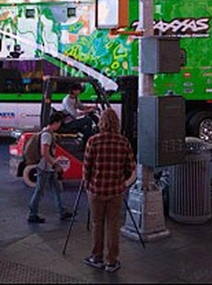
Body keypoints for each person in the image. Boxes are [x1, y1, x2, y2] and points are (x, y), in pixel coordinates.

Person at [82, 108, 135, 273]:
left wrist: (87, 186)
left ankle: (96, 257)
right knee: (113, 225)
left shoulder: (93, 141)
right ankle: (112, 261)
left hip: (96, 190)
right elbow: (131, 168)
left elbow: (87, 168)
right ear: (116, 123)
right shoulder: (123, 142)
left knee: (97, 224)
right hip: (116, 191)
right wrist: (124, 184)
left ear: (101, 122)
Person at [27, 111, 74, 224]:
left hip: (49, 167)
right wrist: (55, 164)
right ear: (56, 122)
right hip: (44, 167)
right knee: (39, 191)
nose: (60, 126)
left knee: (58, 189)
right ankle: (32, 214)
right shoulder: (47, 135)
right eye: (59, 123)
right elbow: (45, 153)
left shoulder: (47, 132)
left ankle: (62, 211)